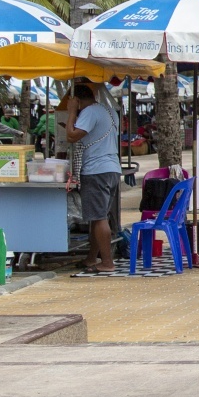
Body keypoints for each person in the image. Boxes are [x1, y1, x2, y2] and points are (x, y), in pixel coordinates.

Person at [64, 81, 124, 275]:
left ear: (79, 100)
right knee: (98, 217)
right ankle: (92, 258)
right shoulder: (108, 110)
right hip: (112, 168)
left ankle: (107, 262)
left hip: (96, 171)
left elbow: (72, 136)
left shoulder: (89, 112)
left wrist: (72, 112)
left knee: (98, 218)